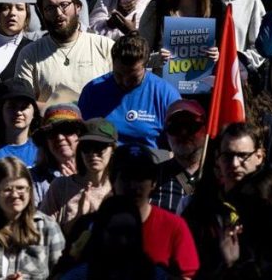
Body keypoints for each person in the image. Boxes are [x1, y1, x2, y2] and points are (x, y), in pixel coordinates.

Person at [16, 0, 114, 110]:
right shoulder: (30, 54)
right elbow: (24, 102)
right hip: (49, 123)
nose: (58, 13)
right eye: (50, 8)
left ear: (78, 7)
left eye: (64, 5)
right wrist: (66, 111)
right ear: (42, 13)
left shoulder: (105, 47)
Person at [0, 157, 65, 279]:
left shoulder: (48, 228)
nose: (15, 195)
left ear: (30, 190)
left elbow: (62, 275)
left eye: (20, 188)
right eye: (7, 189)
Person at [79, 34, 181, 147]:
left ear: (146, 65)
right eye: (119, 75)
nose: (125, 82)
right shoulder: (92, 91)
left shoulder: (165, 94)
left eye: (133, 77)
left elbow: (179, 142)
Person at [112, 144, 199, 277]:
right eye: (126, 177)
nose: (134, 185)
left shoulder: (175, 227)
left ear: (153, 182)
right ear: (112, 181)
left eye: (141, 177)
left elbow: (187, 275)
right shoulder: (92, 226)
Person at [59, 195, 171, 279]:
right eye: (115, 232)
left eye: (128, 232)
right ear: (101, 232)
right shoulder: (77, 276)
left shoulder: (157, 276)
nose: (123, 240)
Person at [40, 118, 116, 233]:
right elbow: (43, 233)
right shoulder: (60, 187)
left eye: (99, 147)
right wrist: (78, 218)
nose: (93, 154)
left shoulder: (120, 188)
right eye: (87, 147)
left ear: (113, 149)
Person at [152, 99, 207, 214]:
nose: (183, 132)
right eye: (175, 127)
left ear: (205, 129)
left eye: (191, 126)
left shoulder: (218, 175)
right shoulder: (152, 178)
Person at [30, 103, 86, 204]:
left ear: (80, 135)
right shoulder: (33, 179)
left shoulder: (96, 174)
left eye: (67, 130)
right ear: (46, 142)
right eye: (52, 133)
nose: (60, 138)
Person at [0, 78, 40, 167]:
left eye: (24, 107)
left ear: (34, 112)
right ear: (1, 111)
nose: (18, 112)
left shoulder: (42, 150)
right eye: (12, 107)